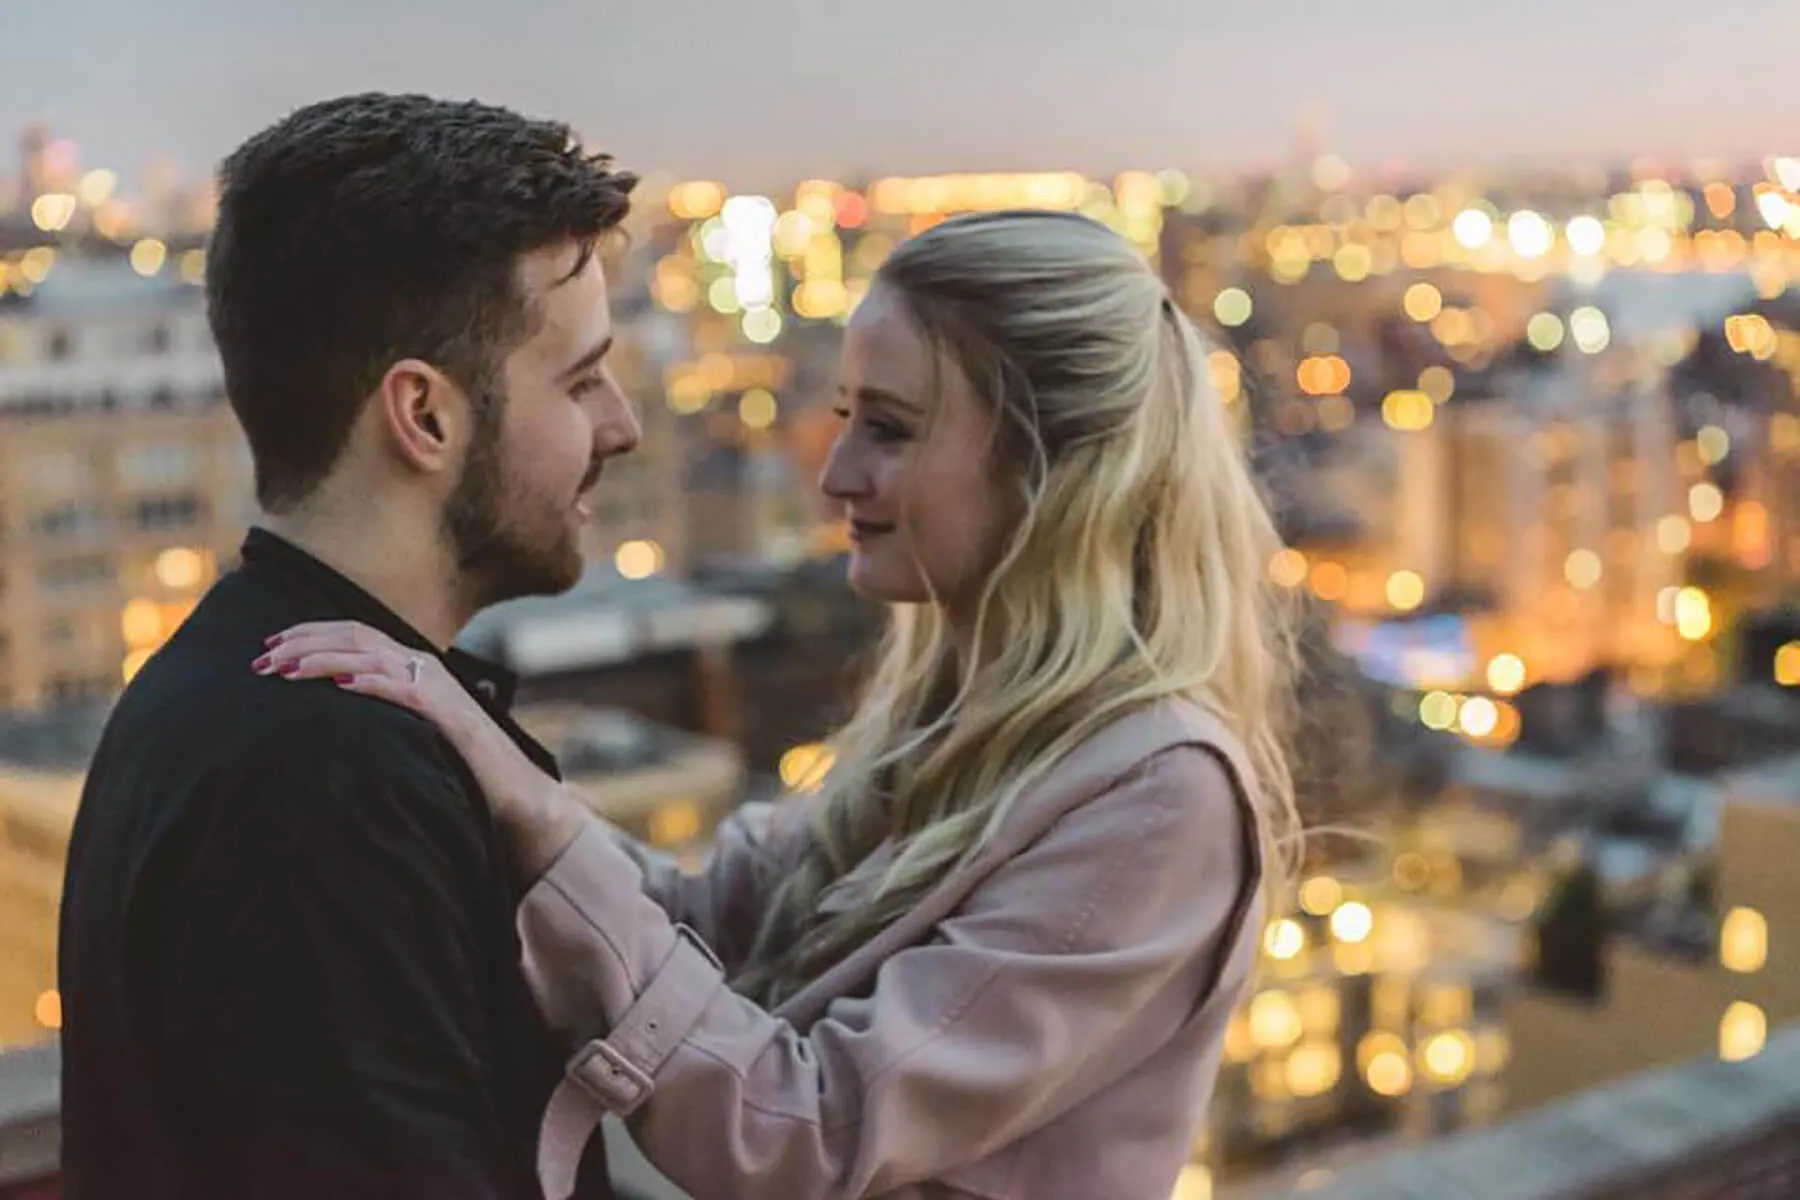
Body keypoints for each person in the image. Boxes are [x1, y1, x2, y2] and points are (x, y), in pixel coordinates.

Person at [262, 209, 1303, 1199]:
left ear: (1056, 469)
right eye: (846, 418)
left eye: (889, 431)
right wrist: (464, 769)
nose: (836, 473)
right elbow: (704, 929)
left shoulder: (1161, 797)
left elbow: (802, 1137)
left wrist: (532, 816)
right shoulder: (957, 713)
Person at [58, 93, 640, 1199]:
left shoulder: (247, 695)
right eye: (578, 380)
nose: (623, 425)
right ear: (423, 417)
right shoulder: (322, 774)